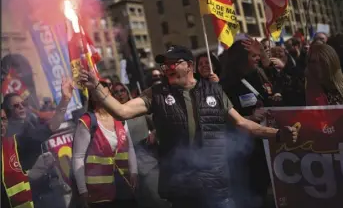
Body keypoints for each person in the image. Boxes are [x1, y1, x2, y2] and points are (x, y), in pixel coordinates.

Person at [79, 45, 298, 208]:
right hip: (181, 188)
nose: (168, 68)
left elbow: (243, 123)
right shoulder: (156, 93)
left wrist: (277, 134)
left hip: (216, 184)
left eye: (174, 63)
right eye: (165, 64)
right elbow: (122, 111)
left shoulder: (214, 91)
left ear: (189, 66)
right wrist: (96, 87)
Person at [220, 39, 281, 208]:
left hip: (269, 146)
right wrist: (250, 117)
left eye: (258, 55)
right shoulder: (226, 85)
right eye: (253, 55)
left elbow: (280, 82)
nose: (257, 58)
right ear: (240, 58)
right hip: (246, 155)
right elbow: (223, 121)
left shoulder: (258, 75)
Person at [2, 78, 74, 208]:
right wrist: (65, 100)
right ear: (7, 111)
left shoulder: (29, 124)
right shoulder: (14, 135)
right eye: (16, 106)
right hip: (39, 196)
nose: (21, 107)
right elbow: (53, 125)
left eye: (22, 103)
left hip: (50, 189)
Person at [72, 79, 138, 208]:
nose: (104, 97)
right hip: (99, 193)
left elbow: (129, 147)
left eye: (107, 94)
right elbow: (77, 157)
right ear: (93, 97)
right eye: (100, 93)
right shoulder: (87, 121)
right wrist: (82, 190)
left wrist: (134, 172)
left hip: (124, 186)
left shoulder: (120, 117)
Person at [112, 82, 170, 208]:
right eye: (116, 92)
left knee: (157, 197)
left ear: (127, 92)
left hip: (148, 161)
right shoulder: (112, 117)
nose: (120, 94)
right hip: (127, 167)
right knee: (142, 201)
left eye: (122, 90)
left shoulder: (138, 110)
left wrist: (154, 133)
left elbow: (159, 125)